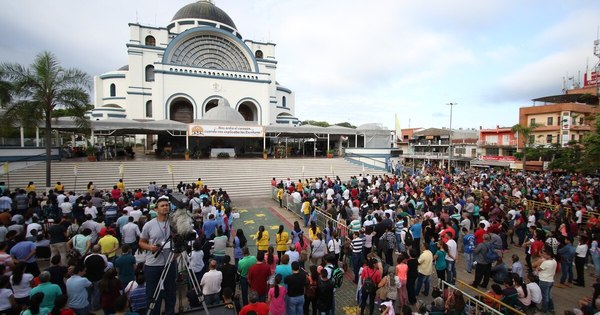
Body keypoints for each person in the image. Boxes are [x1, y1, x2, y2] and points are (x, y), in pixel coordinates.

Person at [138, 196, 176, 315]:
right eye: (162, 206)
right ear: (156, 209)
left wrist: (177, 254)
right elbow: (141, 242)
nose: (165, 207)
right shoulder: (149, 225)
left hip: (169, 262)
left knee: (170, 293)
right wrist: (150, 247)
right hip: (153, 264)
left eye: (167, 205)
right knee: (153, 294)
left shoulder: (173, 223)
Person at [535, 246, 556, 314]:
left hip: (544, 281)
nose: (543, 255)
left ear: (548, 255)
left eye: (544, 254)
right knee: (549, 296)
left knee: (545, 297)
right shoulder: (554, 261)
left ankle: (544, 309)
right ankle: (551, 308)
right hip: (550, 280)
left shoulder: (546, 262)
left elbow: (538, 268)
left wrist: (540, 263)